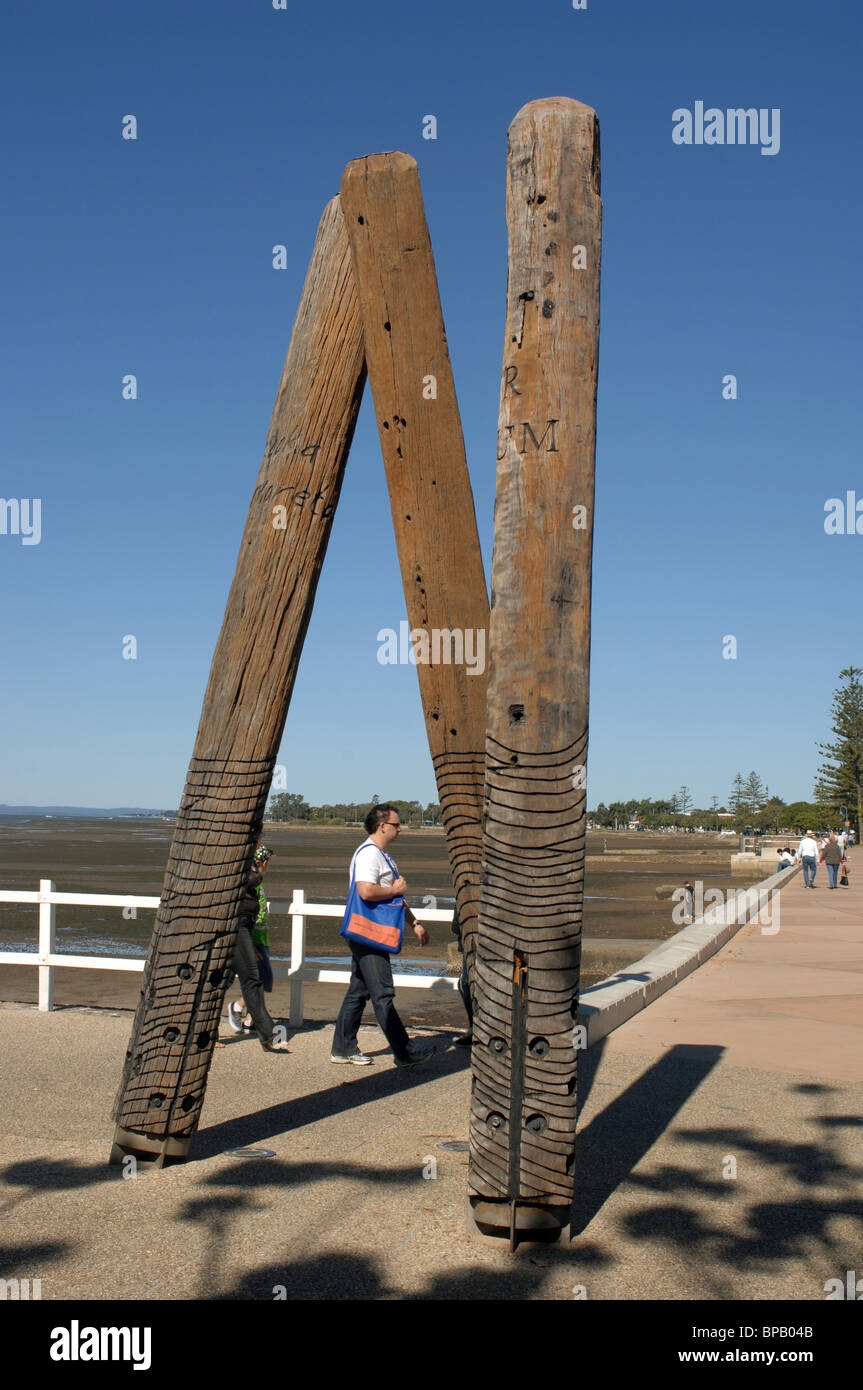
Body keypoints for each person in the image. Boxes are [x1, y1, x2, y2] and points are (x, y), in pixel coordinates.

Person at [332, 805, 435, 1069]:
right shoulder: (369, 855)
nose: (400, 828)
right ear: (382, 826)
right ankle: (404, 1051)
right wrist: (394, 890)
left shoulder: (383, 856)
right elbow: (365, 891)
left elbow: (396, 897)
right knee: (383, 994)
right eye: (397, 824)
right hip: (368, 933)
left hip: (369, 932)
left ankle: (342, 1048)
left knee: (360, 989)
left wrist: (415, 923)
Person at [226, 845, 288, 1052]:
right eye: (266, 862)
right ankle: (269, 1036)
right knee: (251, 980)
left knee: (245, 981)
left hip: (244, 930)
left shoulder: (251, 879)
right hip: (237, 927)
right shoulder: (247, 875)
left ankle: (266, 1036)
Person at [228, 845, 275, 1032]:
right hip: (253, 938)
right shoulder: (253, 885)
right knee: (260, 979)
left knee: (263, 980)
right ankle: (238, 1007)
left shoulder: (257, 883)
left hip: (261, 937)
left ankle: (250, 1018)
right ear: (262, 862)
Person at [450, 903, 473, 1047]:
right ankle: (473, 1027)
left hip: (469, 936)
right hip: (467, 935)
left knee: (466, 983)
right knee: (465, 983)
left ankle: (474, 1028)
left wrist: (456, 926)